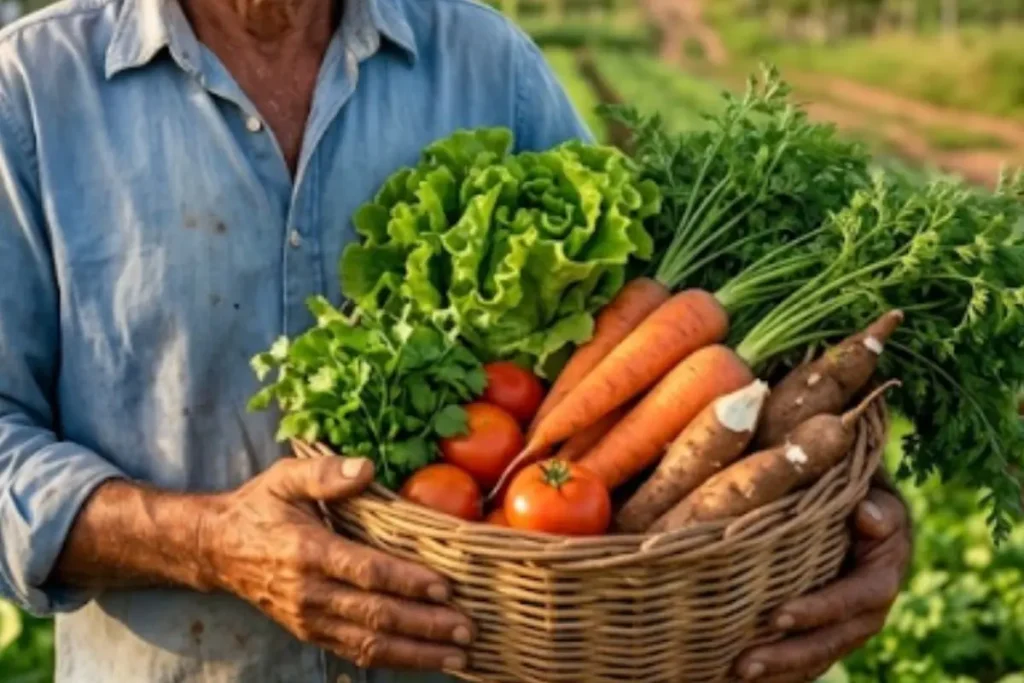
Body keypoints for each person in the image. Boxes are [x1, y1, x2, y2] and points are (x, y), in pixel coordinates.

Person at [0, 0, 913, 679]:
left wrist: (837, 516)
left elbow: (659, 376)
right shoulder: (32, 95)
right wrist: (210, 544)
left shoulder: (488, 65)